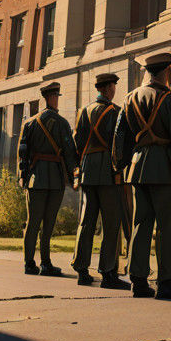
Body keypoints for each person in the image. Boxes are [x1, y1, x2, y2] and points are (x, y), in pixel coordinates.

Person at [113, 52, 171, 299]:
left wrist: (119, 164)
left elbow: (120, 136)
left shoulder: (129, 98)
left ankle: (138, 279)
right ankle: (166, 282)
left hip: (138, 167)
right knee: (167, 227)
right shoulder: (170, 98)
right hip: (165, 167)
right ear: (167, 71)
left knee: (140, 225)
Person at [71, 72, 129, 289]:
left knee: (86, 221)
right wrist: (120, 167)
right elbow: (119, 143)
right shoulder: (115, 112)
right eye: (113, 86)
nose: (114, 89)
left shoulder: (83, 112)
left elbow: (76, 142)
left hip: (87, 170)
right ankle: (108, 273)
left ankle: (81, 269)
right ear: (107, 89)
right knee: (111, 223)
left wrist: (80, 166)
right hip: (108, 171)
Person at [18, 80, 77, 276]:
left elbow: (23, 153)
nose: (57, 101)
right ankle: (45, 263)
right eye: (56, 97)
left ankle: (29, 263)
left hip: (35, 178)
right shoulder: (62, 123)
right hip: (55, 178)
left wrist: (24, 177)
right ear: (52, 98)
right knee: (48, 223)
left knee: (32, 222)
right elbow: (69, 153)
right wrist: (73, 177)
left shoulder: (30, 123)